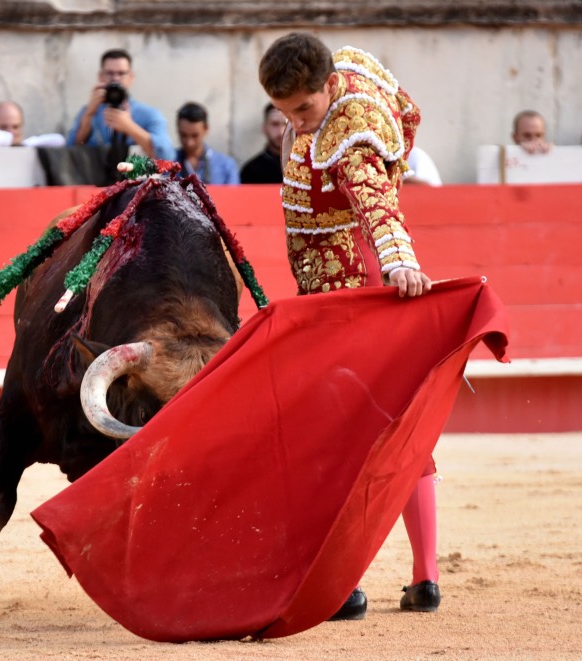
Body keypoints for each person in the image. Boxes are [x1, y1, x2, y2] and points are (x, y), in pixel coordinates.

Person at [258, 32, 438, 619]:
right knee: (397, 421)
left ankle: (344, 584)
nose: (297, 124)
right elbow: (409, 112)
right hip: (353, 279)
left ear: (328, 88)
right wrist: (399, 163)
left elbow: (374, 200)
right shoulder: (354, 64)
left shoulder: (345, 130)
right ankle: (425, 577)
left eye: (303, 109)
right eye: (283, 114)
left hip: (346, 286)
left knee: (342, 432)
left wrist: (398, 259)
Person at [66, 49, 175, 161]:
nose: (115, 79)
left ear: (131, 77)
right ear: (101, 76)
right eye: (110, 73)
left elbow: (167, 156)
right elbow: (68, 153)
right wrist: (89, 114)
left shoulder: (149, 114)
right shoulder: (89, 112)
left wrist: (130, 127)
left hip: (134, 177)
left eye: (121, 73)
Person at [174, 102, 239, 185]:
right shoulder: (167, 164)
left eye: (195, 136)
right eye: (183, 135)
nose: (189, 142)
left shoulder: (226, 166)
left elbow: (233, 196)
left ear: (206, 129)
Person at [0, 100, 65, 148]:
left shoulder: (27, 146)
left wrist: (24, 145)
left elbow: (59, 141)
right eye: (3, 127)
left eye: (15, 127)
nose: (10, 132)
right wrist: (12, 140)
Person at [240, 103, 287, 184]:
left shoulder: (308, 167)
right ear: (264, 128)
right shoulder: (251, 171)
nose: (281, 132)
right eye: (275, 124)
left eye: (286, 124)